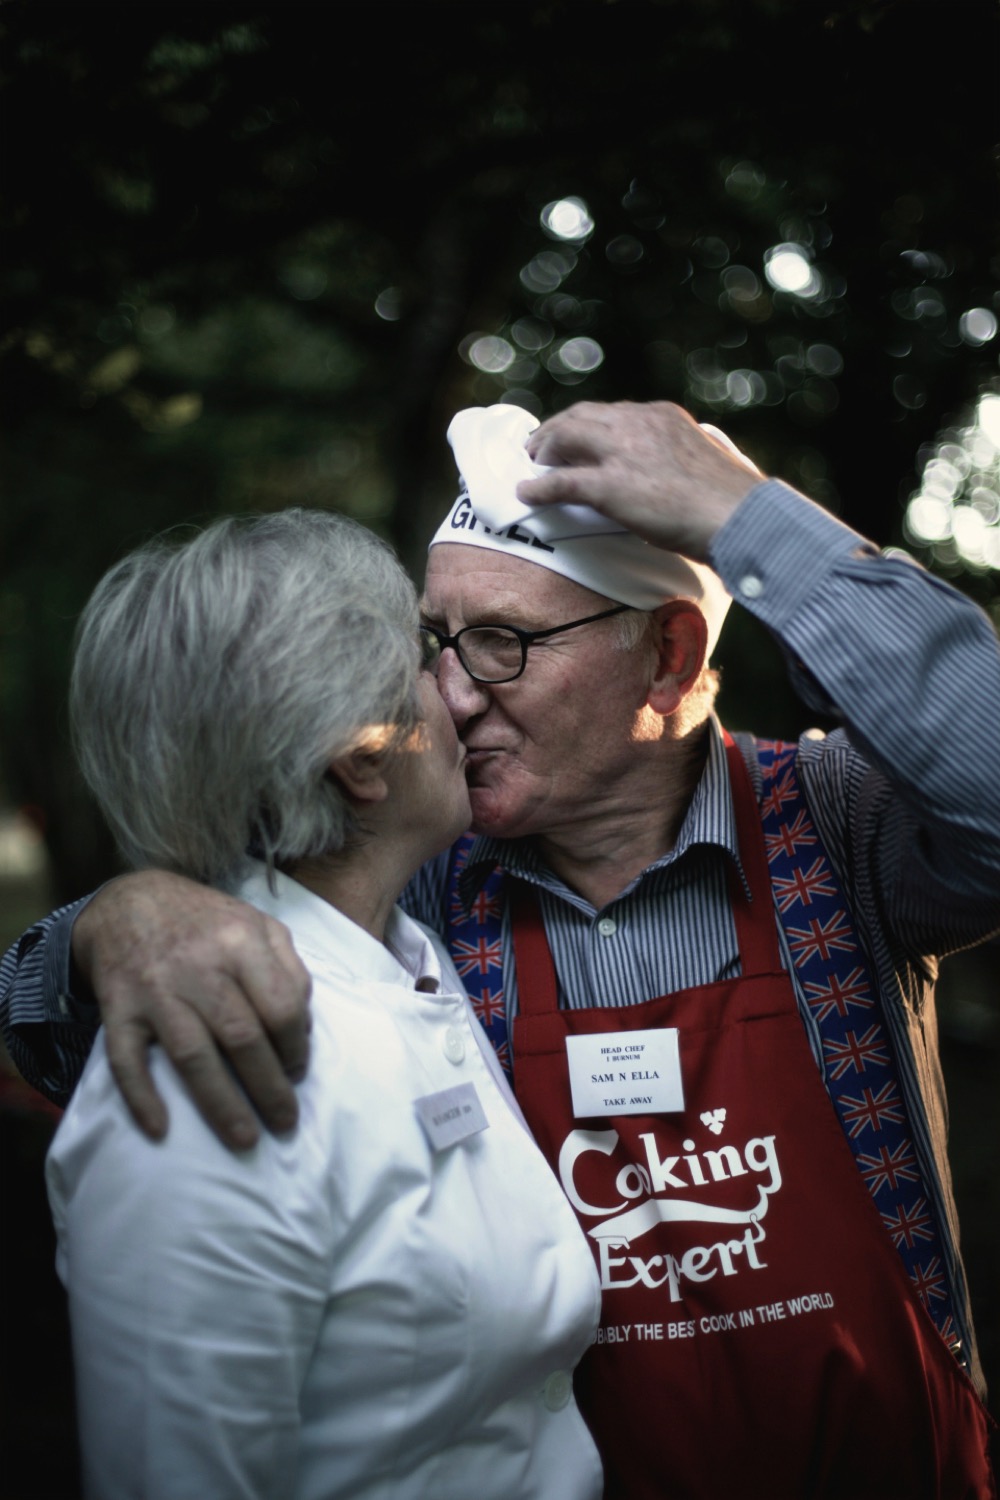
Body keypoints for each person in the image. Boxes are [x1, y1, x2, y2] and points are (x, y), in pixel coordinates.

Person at [3, 399, 998, 1497]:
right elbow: (45, 1036)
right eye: (440, 640)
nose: (454, 694)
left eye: (504, 643)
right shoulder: (422, 884)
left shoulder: (841, 828)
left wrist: (745, 514)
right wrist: (119, 920)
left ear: (668, 656)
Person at [39, 509, 603, 1500]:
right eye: (428, 658)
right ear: (359, 754)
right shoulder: (214, 1067)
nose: (462, 693)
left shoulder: (406, 956)